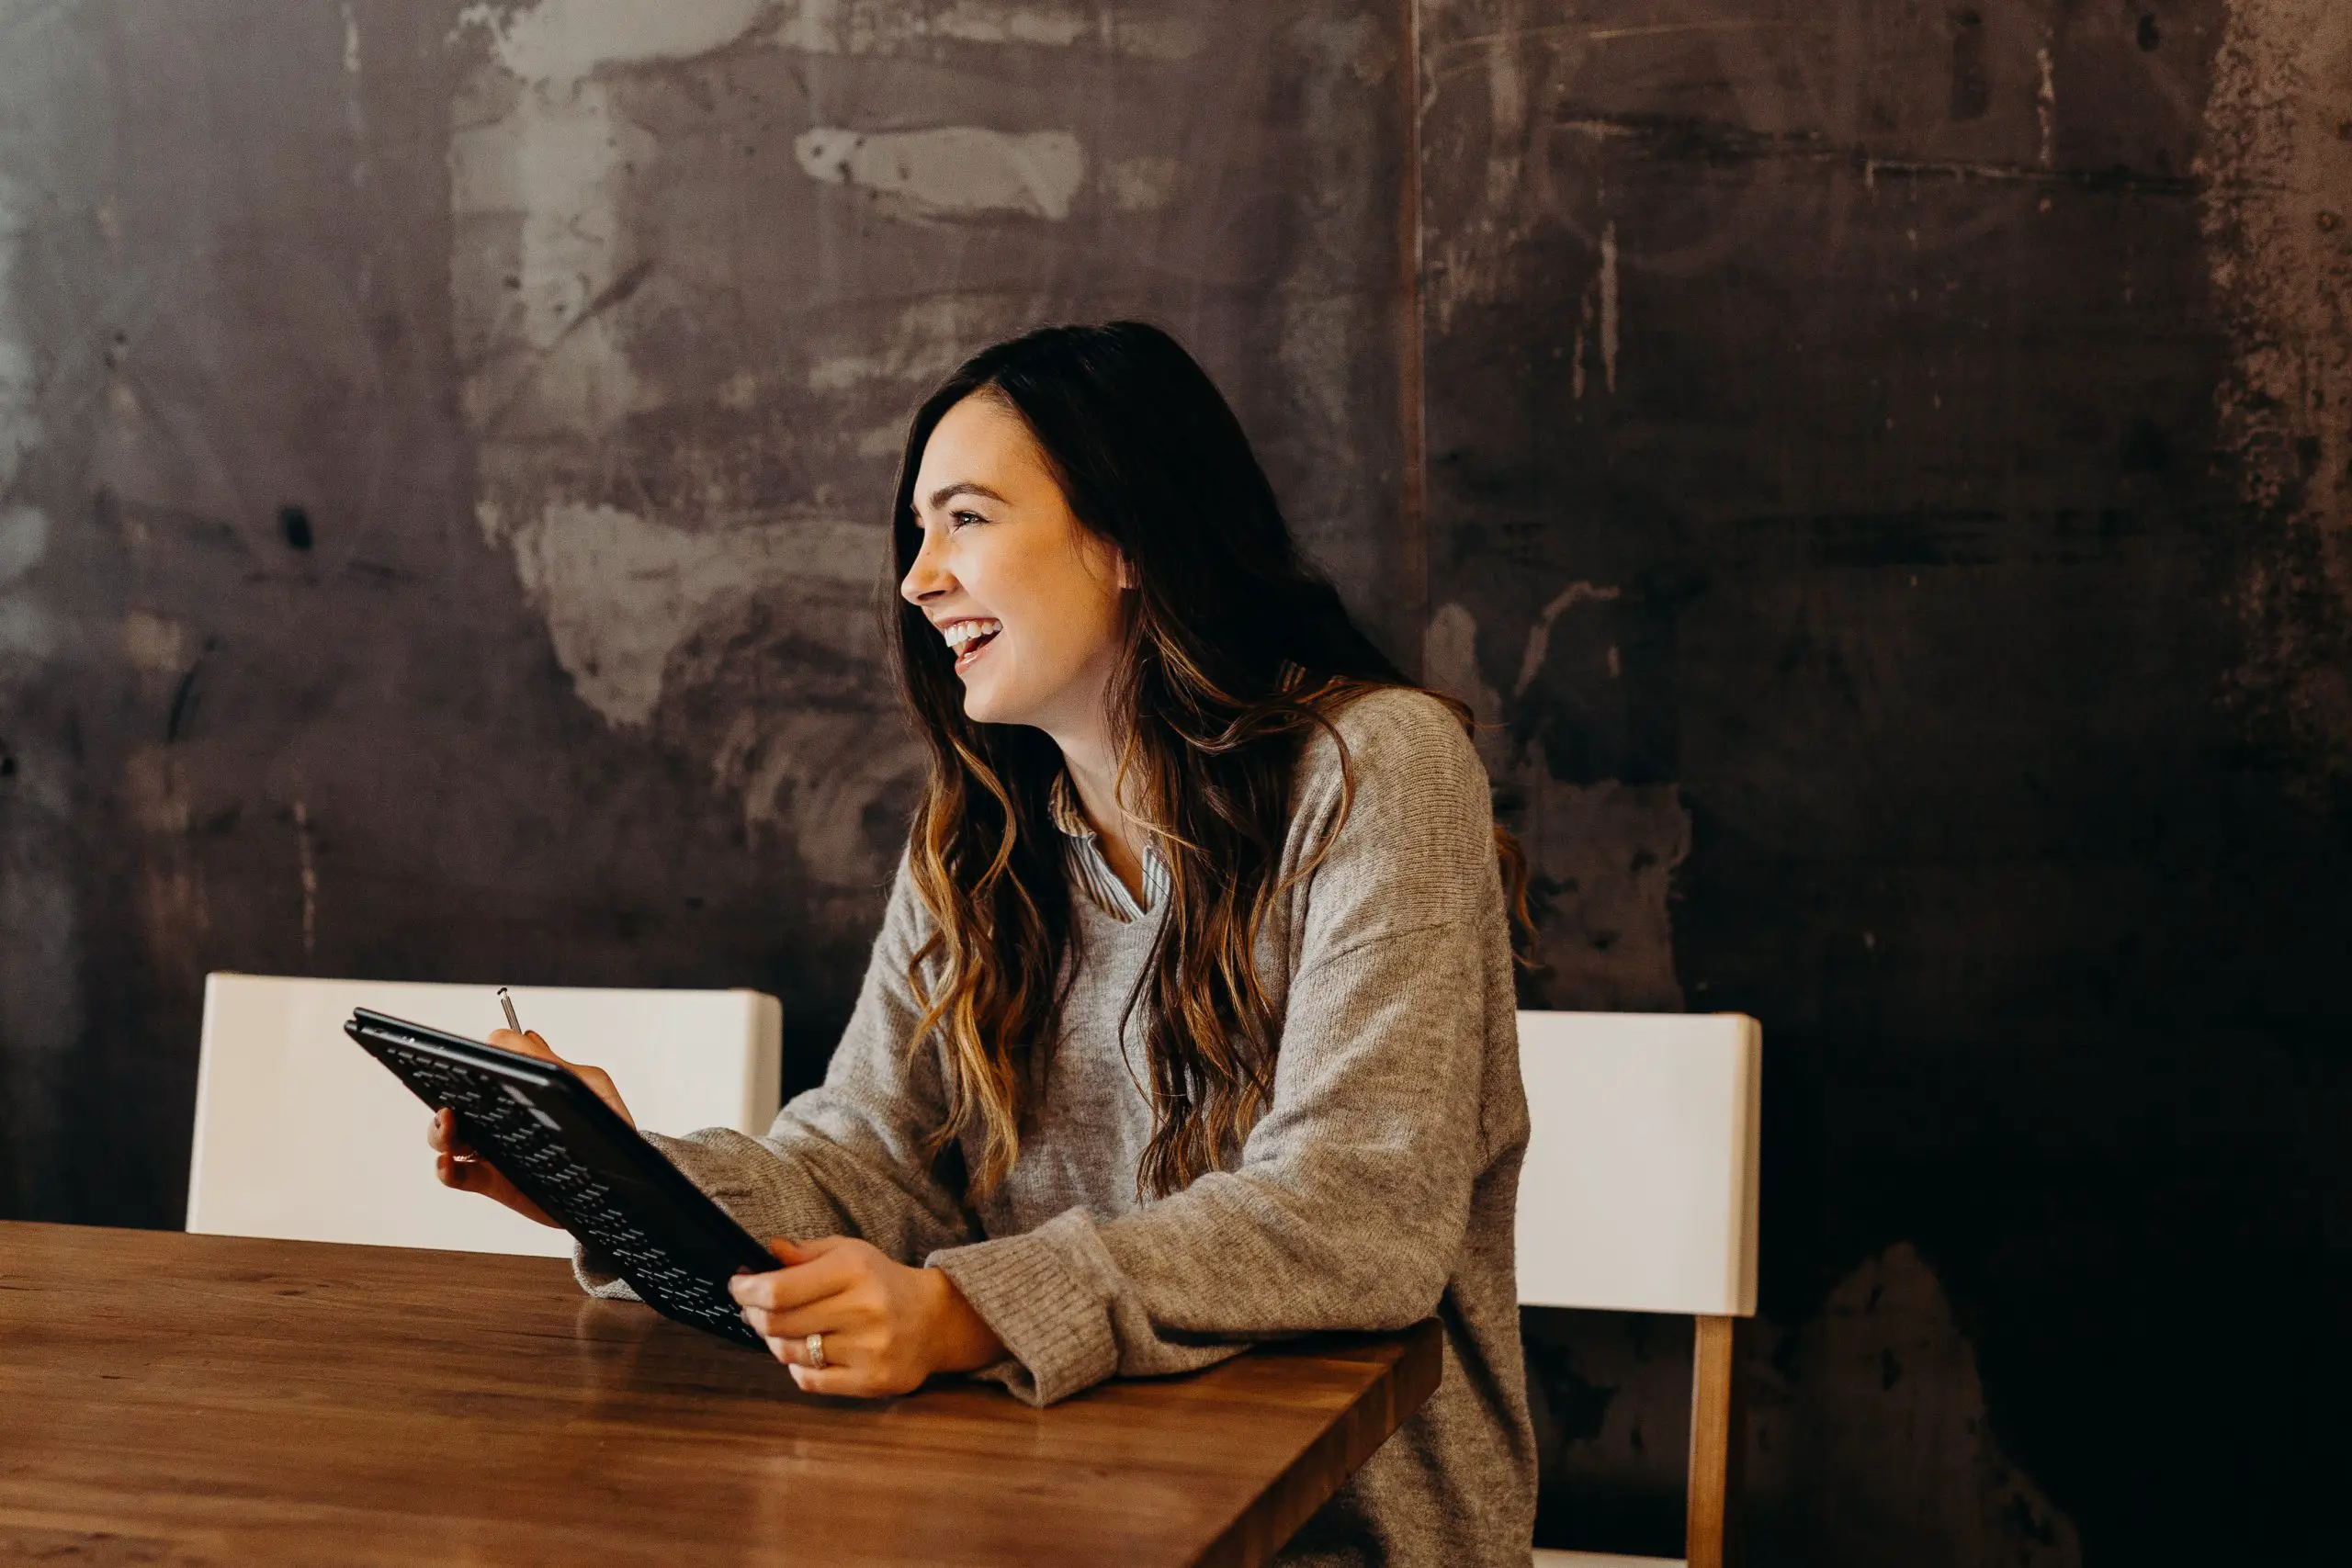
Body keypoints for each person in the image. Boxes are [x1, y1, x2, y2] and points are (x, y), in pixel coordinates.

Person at [429, 321, 1537, 1566]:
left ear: (1125, 537)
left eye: (964, 517)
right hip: (1037, 1507)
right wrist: (620, 1180)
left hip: (1332, 1535)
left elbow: (1355, 1211)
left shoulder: (1376, 770)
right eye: (916, 531)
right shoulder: (977, 834)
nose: (917, 577)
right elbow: (868, 1165)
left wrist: (964, 1311)